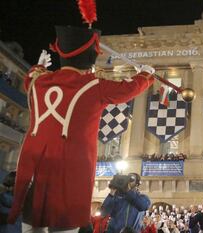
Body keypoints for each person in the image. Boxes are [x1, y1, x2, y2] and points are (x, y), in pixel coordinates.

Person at [8, 25, 155, 233]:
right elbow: (128, 89)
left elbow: (29, 79)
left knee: (32, 223)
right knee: (64, 224)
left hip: (36, 164)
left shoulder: (38, 83)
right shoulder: (94, 85)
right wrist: (146, 75)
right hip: (70, 167)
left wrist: (37, 67)